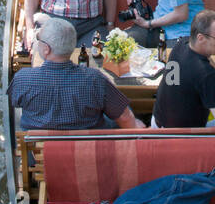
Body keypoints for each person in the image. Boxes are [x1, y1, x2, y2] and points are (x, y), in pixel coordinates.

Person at [9, 16, 143, 131]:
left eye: (39, 39)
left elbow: (14, 102)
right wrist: (136, 126)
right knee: (122, 108)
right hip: (85, 150)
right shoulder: (95, 79)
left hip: (40, 151)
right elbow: (125, 117)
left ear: (46, 49)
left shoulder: (22, 79)